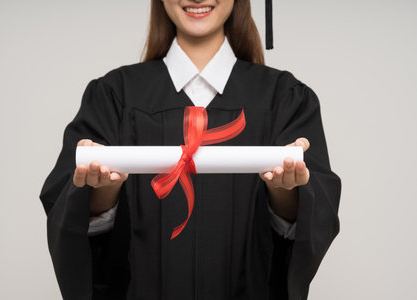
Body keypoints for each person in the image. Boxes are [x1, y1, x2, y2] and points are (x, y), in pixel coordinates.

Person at [40, 0, 341, 299]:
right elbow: (71, 220)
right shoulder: (114, 97)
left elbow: (307, 226)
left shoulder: (283, 99)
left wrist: (284, 191)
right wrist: (102, 193)